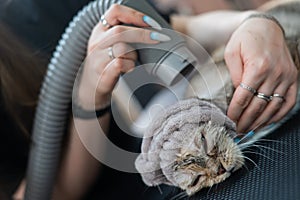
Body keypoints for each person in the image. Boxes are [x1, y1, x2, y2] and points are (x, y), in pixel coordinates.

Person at [0, 1, 298, 200]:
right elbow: (50, 192)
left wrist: (255, 22)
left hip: (181, 148)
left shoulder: (31, 11)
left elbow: (180, 29)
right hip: (150, 185)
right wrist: (90, 91)